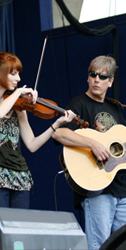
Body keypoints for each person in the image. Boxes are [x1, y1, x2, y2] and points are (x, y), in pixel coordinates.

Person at [0, 52, 75, 208]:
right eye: (13, 74)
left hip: (20, 175)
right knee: (1, 228)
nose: (18, 79)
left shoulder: (19, 107)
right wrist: (19, 92)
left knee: (20, 228)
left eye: (19, 74)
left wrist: (57, 123)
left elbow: (32, 145)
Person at [52, 55, 126, 249]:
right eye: (93, 74)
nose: (96, 80)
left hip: (121, 188)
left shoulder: (116, 109)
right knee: (99, 245)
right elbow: (59, 133)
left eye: (102, 77)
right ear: (87, 77)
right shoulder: (78, 104)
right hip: (97, 188)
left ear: (110, 82)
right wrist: (93, 144)